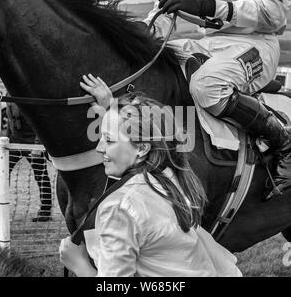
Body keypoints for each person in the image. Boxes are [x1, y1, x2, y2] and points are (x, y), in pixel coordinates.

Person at [59, 74, 242, 277]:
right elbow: (150, 130)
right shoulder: (169, 174)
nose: (100, 148)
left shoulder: (120, 208)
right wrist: (113, 112)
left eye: (108, 140)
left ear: (143, 148)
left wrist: (79, 265)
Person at [141, 0, 290, 199]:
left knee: (207, 85)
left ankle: (284, 142)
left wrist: (206, 6)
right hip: (209, 42)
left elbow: (274, 13)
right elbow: (164, 9)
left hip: (257, 43)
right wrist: (143, 29)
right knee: (154, 65)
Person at [0, 95, 52, 222]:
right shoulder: (9, 95)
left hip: (31, 144)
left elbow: (40, 123)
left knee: (40, 176)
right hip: (14, 142)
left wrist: (37, 146)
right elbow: (10, 123)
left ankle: (45, 211)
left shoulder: (28, 94)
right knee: (2, 173)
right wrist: (7, 140)